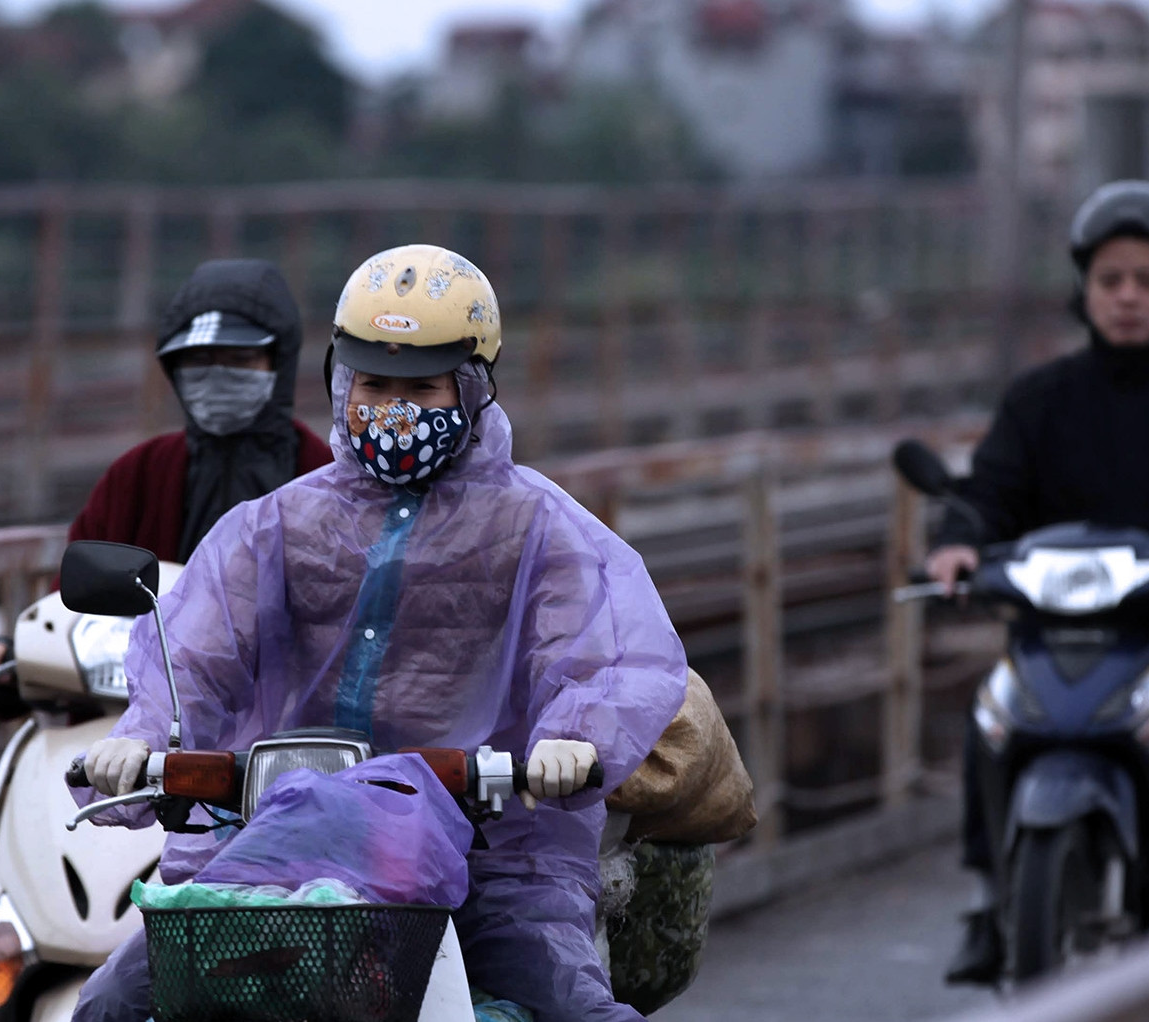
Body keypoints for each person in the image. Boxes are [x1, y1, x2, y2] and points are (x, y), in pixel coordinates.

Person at [69, 244, 688, 1022]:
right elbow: (193, 657)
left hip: (490, 853)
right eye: (375, 383)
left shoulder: (540, 525)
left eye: (421, 386)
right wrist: (144, 734)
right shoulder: (272, 527)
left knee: (568, 1009)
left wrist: (575, 739)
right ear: (340, 380)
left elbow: (606, 654)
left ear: (472, 388)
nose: (394, 406)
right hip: (287, 845)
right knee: (114, 1005)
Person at [930, 181, 1149, 984]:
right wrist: (957, 545)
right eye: (1110, 280)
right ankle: (990, 899)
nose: (1127, 297)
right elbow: (989, 492)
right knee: (991, 716)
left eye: (1147, 280)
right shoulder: (1038, 399)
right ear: (1083, 290)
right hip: (1058, 637)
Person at [0, 259, 331, 705]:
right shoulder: (137, 474)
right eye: (199, 360)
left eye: (239, 359)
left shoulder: (322, 476)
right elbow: (70, 611)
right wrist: (12, 663)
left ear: (278, 361)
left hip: (286, 724)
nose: (217, 373)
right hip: (135, 717)